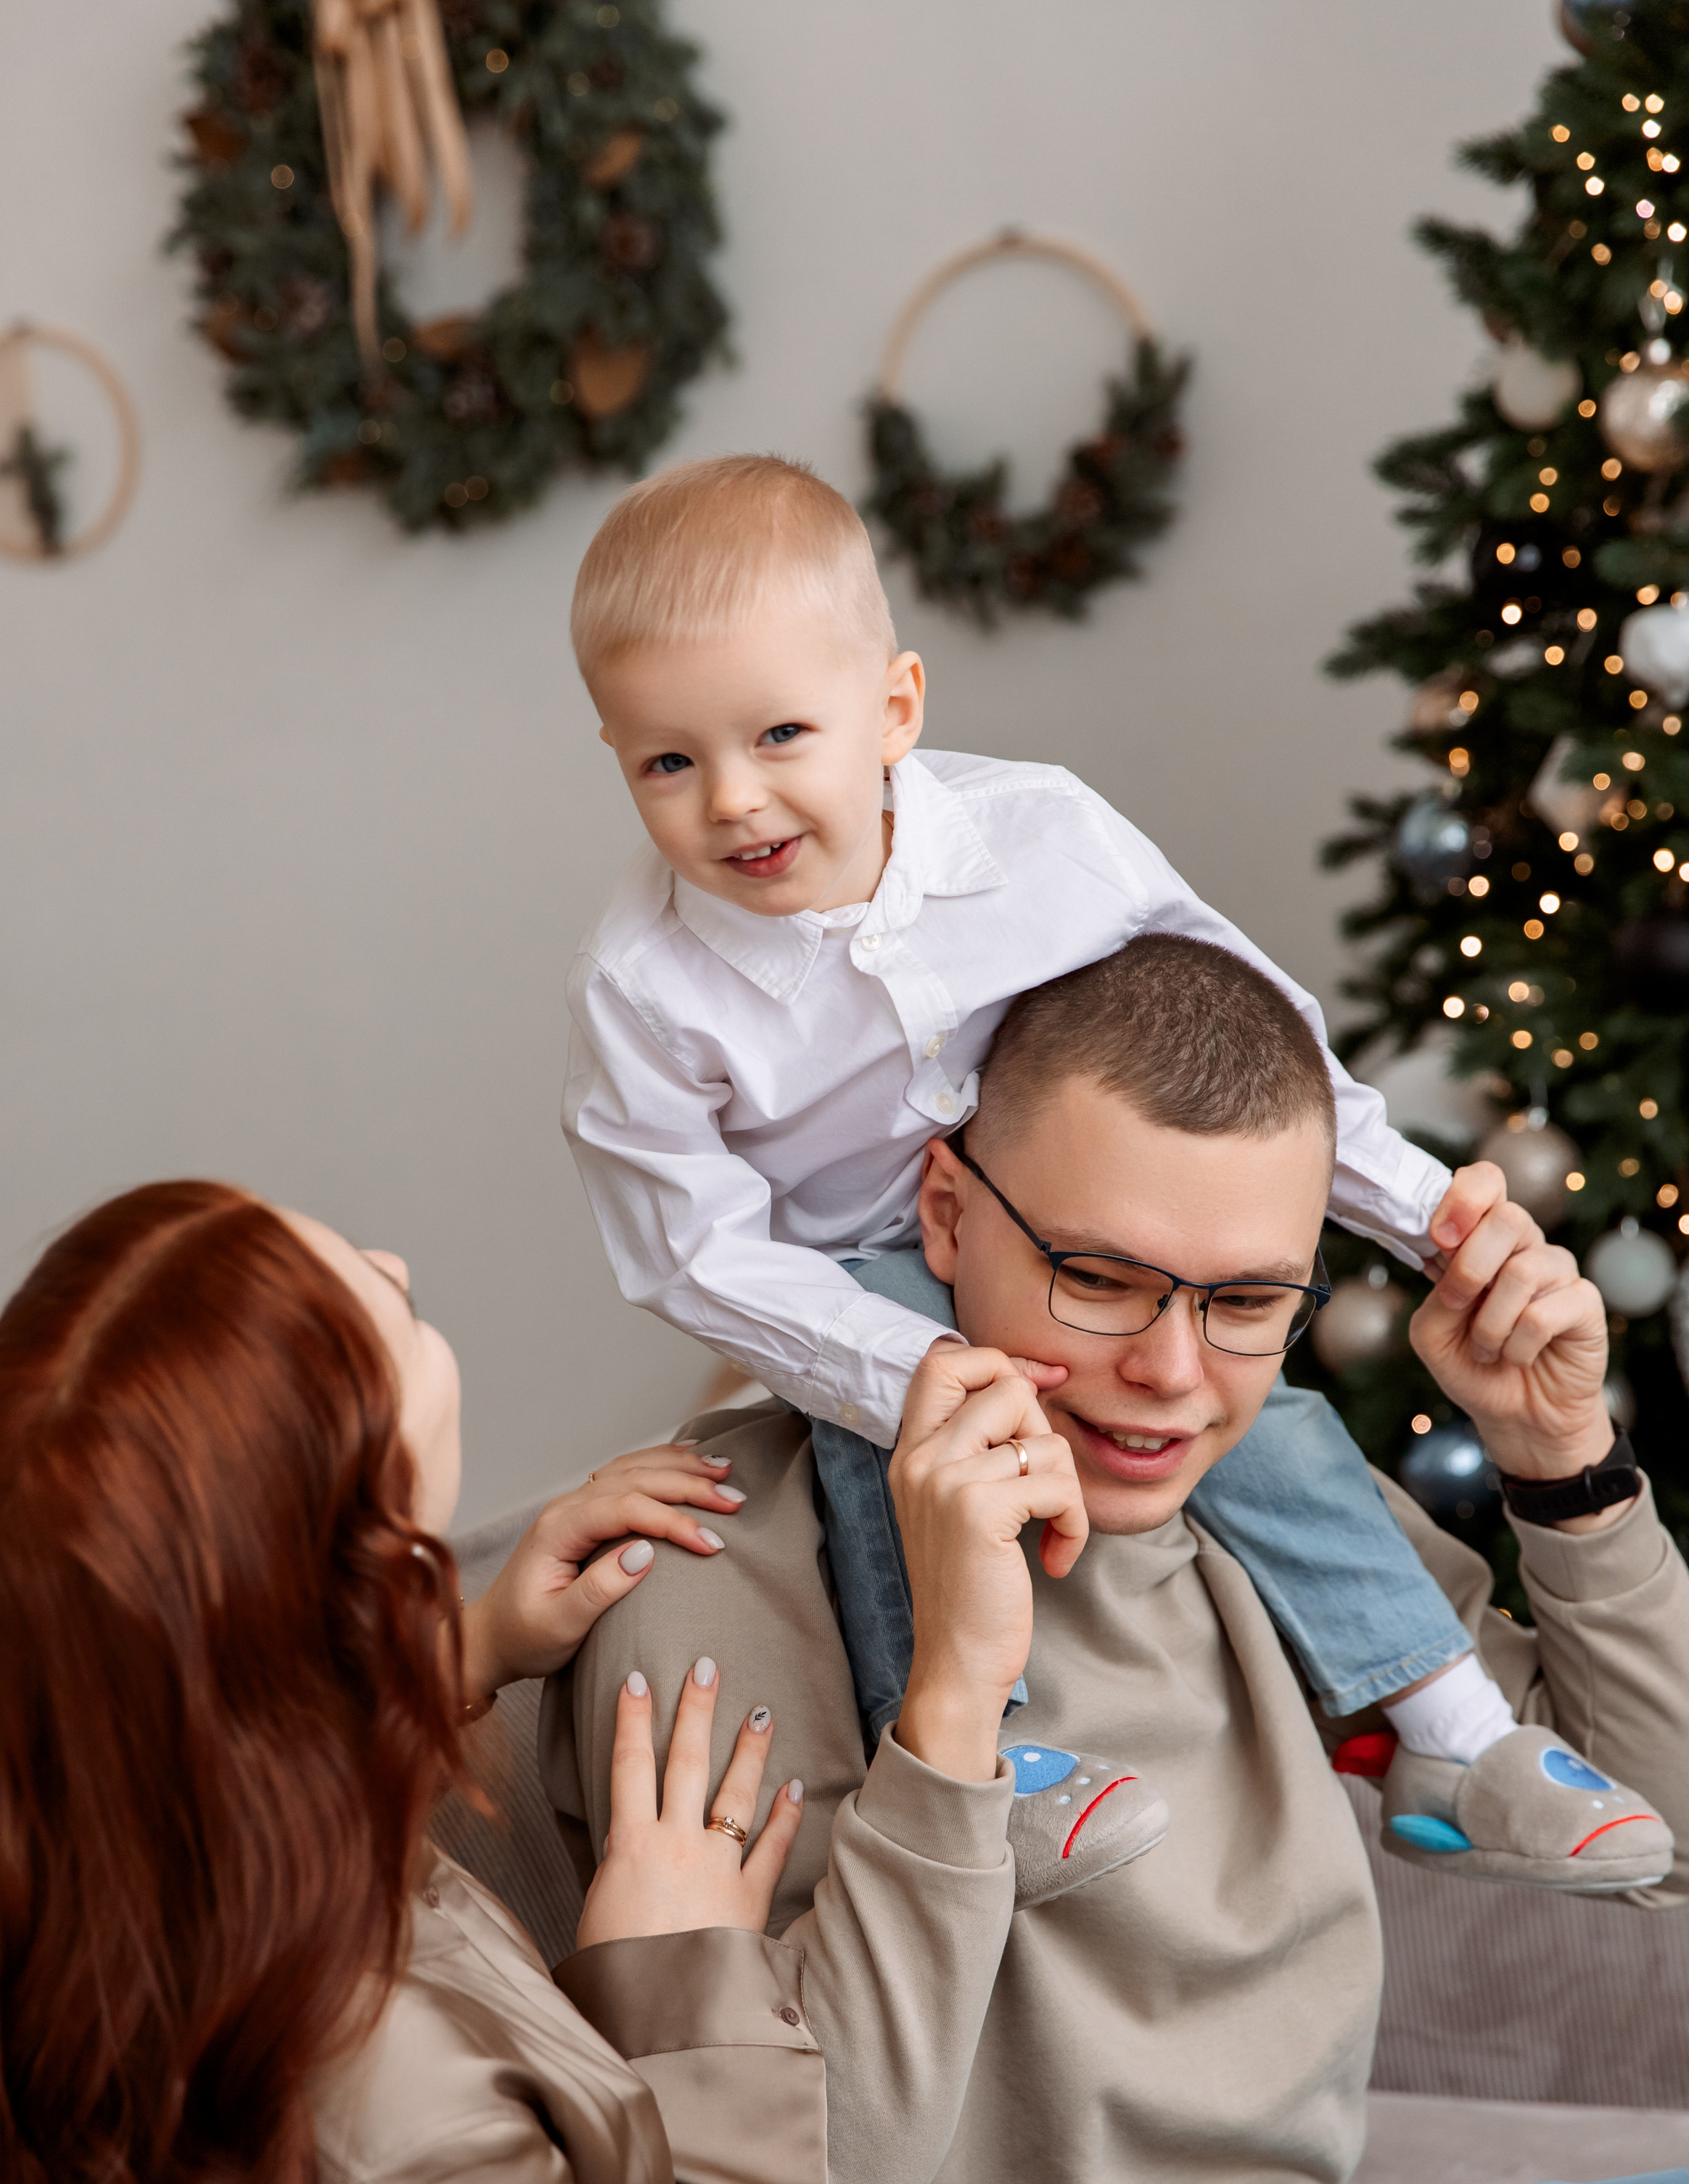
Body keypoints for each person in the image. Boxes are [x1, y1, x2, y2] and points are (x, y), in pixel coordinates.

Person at [0, 1178, 1486, 2184]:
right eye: (356, 1295)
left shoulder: (59, 1866)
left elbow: (160, 1690)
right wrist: (684, 1978)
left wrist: (449, 1641)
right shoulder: (358, 2087)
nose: (398, 1269)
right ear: (341, 1542)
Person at [546, 932, 1689, 2184]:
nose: (1175, 1376)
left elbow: (1652, 1837)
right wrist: (947, 1706)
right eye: (1099, 1281)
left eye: (1248, 1303)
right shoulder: (715, 1579)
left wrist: (1570, 1475)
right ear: (939, 1216)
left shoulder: (1277, 1511)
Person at [560, 450, 1645, 1894]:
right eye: (669, 762)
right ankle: (964, 1756)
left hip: (1071, 1215)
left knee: (1261, 1417)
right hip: (847, 1283)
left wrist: (1425, 1221)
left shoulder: (1041, 839)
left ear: (893, 709)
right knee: (904, 1460)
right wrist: (898, 1364)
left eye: (778, 735)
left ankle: (1441, 1721)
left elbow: (1254, 1045)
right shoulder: (644, 987)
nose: (736, 802)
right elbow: (687, 1246)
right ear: (618, 760)